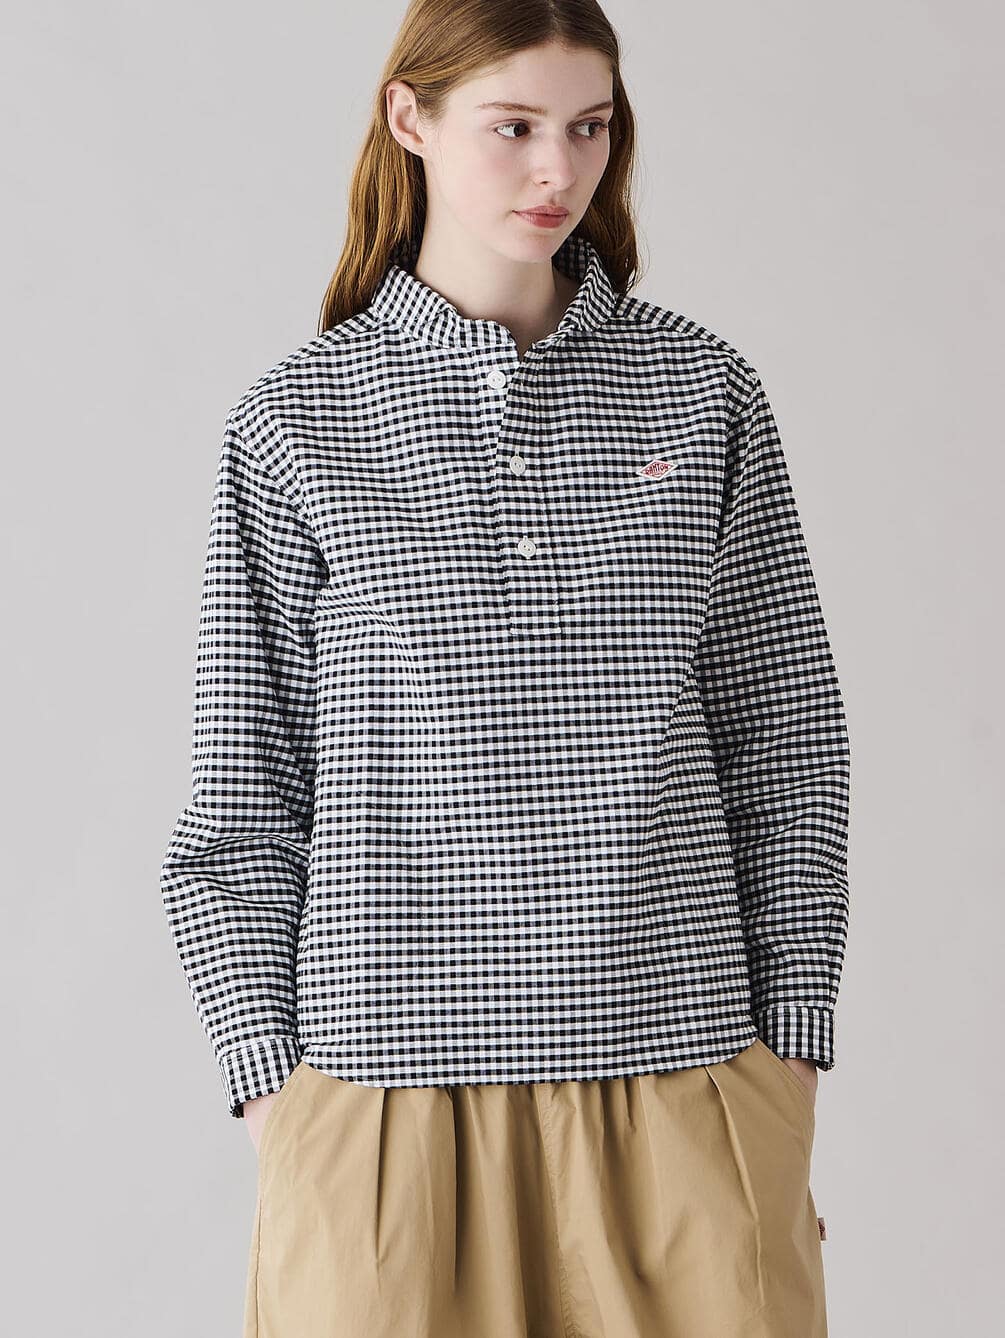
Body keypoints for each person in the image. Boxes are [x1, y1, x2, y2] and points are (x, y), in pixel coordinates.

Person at [160, 1, 850, 1334]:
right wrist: (277, 1098)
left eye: (589, 128)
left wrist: (789, 1061)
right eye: (514, 126)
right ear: (409, 119)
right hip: (382, 1101)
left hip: (684, 1071)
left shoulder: (703, 394)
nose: (558, 169)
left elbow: (786, 745)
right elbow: (243, 798)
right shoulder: (295, 420)